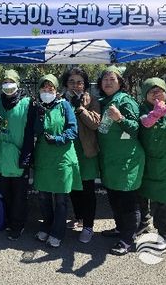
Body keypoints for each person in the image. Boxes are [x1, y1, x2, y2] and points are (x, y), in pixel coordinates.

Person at [97, 66, 145, 255]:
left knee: (128, 201)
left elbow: (136, 128)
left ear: (120, 82)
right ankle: (120, 228)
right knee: (114, 198)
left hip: (127, 160)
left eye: (112, 79)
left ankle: (128, 239)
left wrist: (120, 118)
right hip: (110, 159)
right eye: (105, 79)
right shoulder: (103, 101)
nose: (108, 82)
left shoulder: (126, 101)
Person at [32, 73, 80, 248]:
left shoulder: (64, 105)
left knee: (60, 199)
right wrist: (39, 116)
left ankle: (57, 232)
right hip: (44, 158)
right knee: (43, 196)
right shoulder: (36, 107)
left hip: (62, 158)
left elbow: (73, 130)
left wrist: (58, 139)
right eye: (44, 88)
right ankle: (47, 226)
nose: (47, 91)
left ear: (56, 90)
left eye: (50, 88)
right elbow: (35, 131)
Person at [137, 77, 166, 251]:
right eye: (151, 91)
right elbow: (145, 122)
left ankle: (163, 234)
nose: (156, 94)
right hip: (146, 162)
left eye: (159, 91)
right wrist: (155, 114)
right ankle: (142, 223)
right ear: (144, 95)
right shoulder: (141, 109)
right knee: (141, 196)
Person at [0, 69, 33, 240]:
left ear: (17, 83)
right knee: (5, 192)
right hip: (3, 156)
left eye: (11, 81)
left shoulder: (27, 103)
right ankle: (7, 220)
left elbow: (30, 132)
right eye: (5, 81)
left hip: (19, 155)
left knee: (19, 195)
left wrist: (27, 155)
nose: (8, 85)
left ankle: (18, 225)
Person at [61, 67, 101, 244]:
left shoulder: (92, 100)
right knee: (73, 187)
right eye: (71, 82)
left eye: (79, 82)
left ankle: (88, 226)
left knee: (87, 189)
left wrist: (80, 108)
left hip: (86, 151)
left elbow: (95, 124)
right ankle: (79, 217)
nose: (75, 85)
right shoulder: (61, 100)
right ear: (66, 84)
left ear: (85, 85)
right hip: (68, 150)